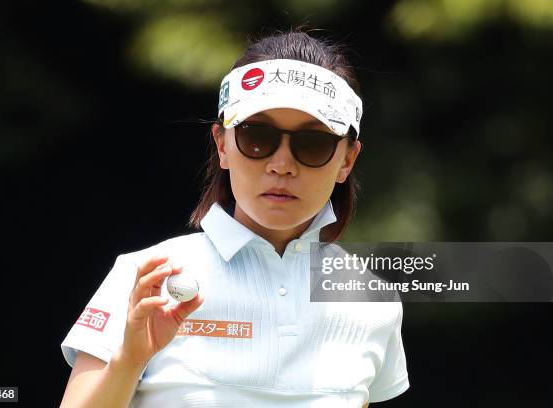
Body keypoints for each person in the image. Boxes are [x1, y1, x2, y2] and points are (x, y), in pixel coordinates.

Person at [59, 28, 409, 408]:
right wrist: (128, 362)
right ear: (223, 145)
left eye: (314, 142)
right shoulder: (148, 278)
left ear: (347, 160)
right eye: (257, 136)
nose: (281, 165)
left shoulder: (373, 299)